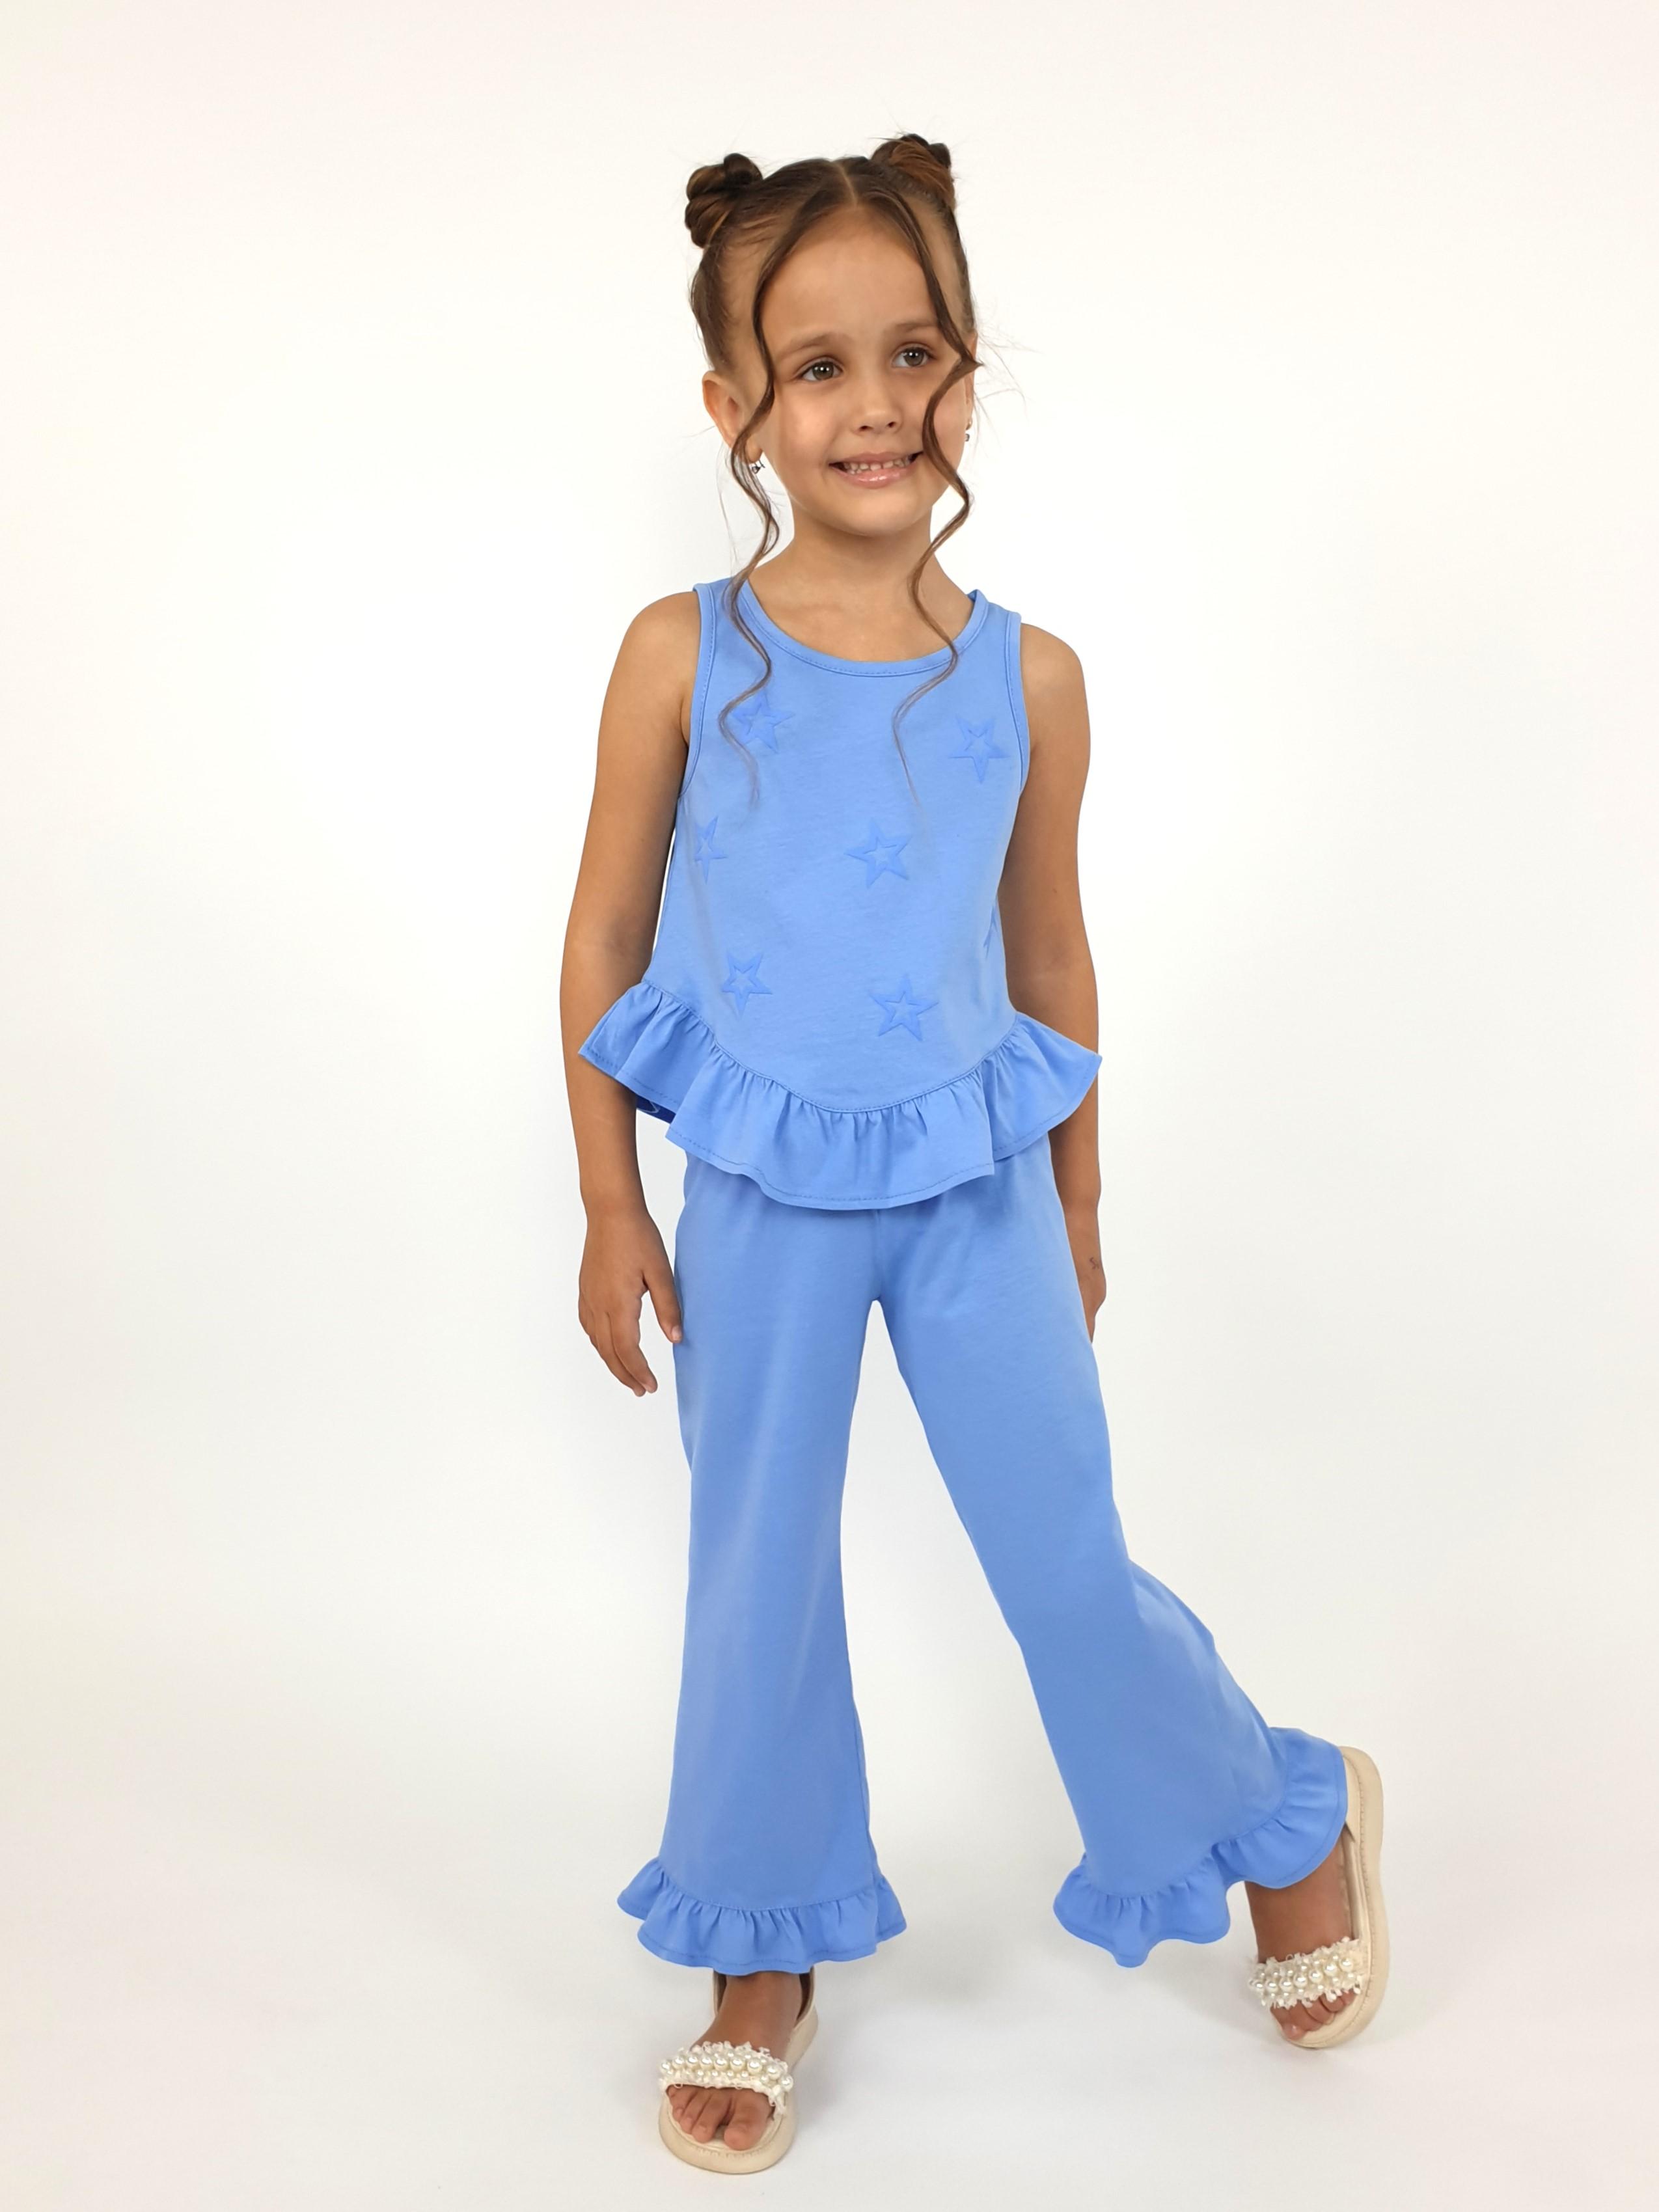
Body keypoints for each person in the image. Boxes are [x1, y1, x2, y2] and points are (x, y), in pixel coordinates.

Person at [562, 133, 1389, 2174]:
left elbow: (1050, 953)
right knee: (754, 1575)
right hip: (758, 1195)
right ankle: (760, 1947)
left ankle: (1281, 1811)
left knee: (1060, 1557)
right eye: (818, 366)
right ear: (735, 405)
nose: (876, 405)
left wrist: (1080, 1195)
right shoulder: (682, 654)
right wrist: (606, 1200)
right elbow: (601, 935)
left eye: (914, 353)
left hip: (974, 1192)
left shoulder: (1031, 678)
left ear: (965, 371)